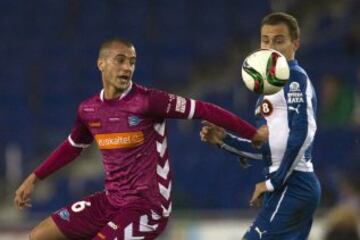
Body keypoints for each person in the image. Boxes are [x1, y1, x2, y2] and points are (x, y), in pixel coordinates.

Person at [14, 38, 268, 240]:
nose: (127, 67)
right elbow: (73, 146)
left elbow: (204, 109)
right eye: (120, 60)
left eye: (132, 62)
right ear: (101, 63)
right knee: (39, 235)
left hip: (148, 207)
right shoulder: (88, 110)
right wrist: (34, 178)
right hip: (110, 200)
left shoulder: (148, 101)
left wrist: (252, 133)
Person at [200, 12, 321, 240]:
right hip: (289, 186)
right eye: (265, 40)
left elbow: (303, 134)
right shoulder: (268, 89)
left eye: (279, 40)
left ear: (295, 44)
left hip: (294, 184)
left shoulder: (294, 78)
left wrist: (272, 183)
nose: (271, 47)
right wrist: (225, 141)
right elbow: (270, 148)